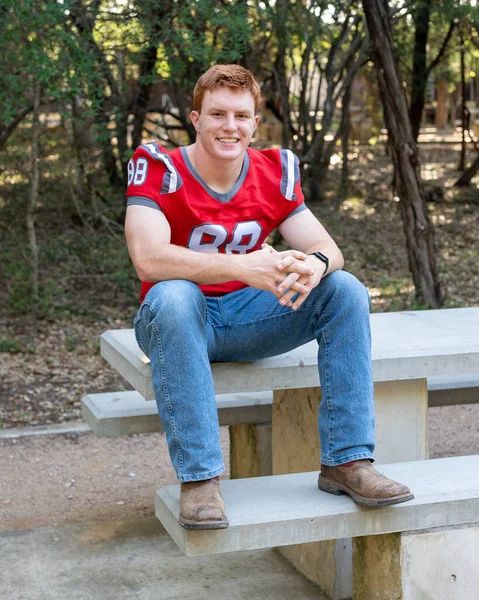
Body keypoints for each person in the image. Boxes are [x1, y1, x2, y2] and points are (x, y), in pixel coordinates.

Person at [125, 64, 414, 530]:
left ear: (255, 123)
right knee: (174, 296)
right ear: (195, 119)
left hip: (248, 319)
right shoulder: (159, 166)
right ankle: (200, 480)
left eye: (241, 115)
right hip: (179, 321)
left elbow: (328, 249)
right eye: (217, 114)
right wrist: (244, 266)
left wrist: (312, 265)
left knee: (343, 290)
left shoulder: (275, 170)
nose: (230, 126)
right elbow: (148, 258)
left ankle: (348, 461)